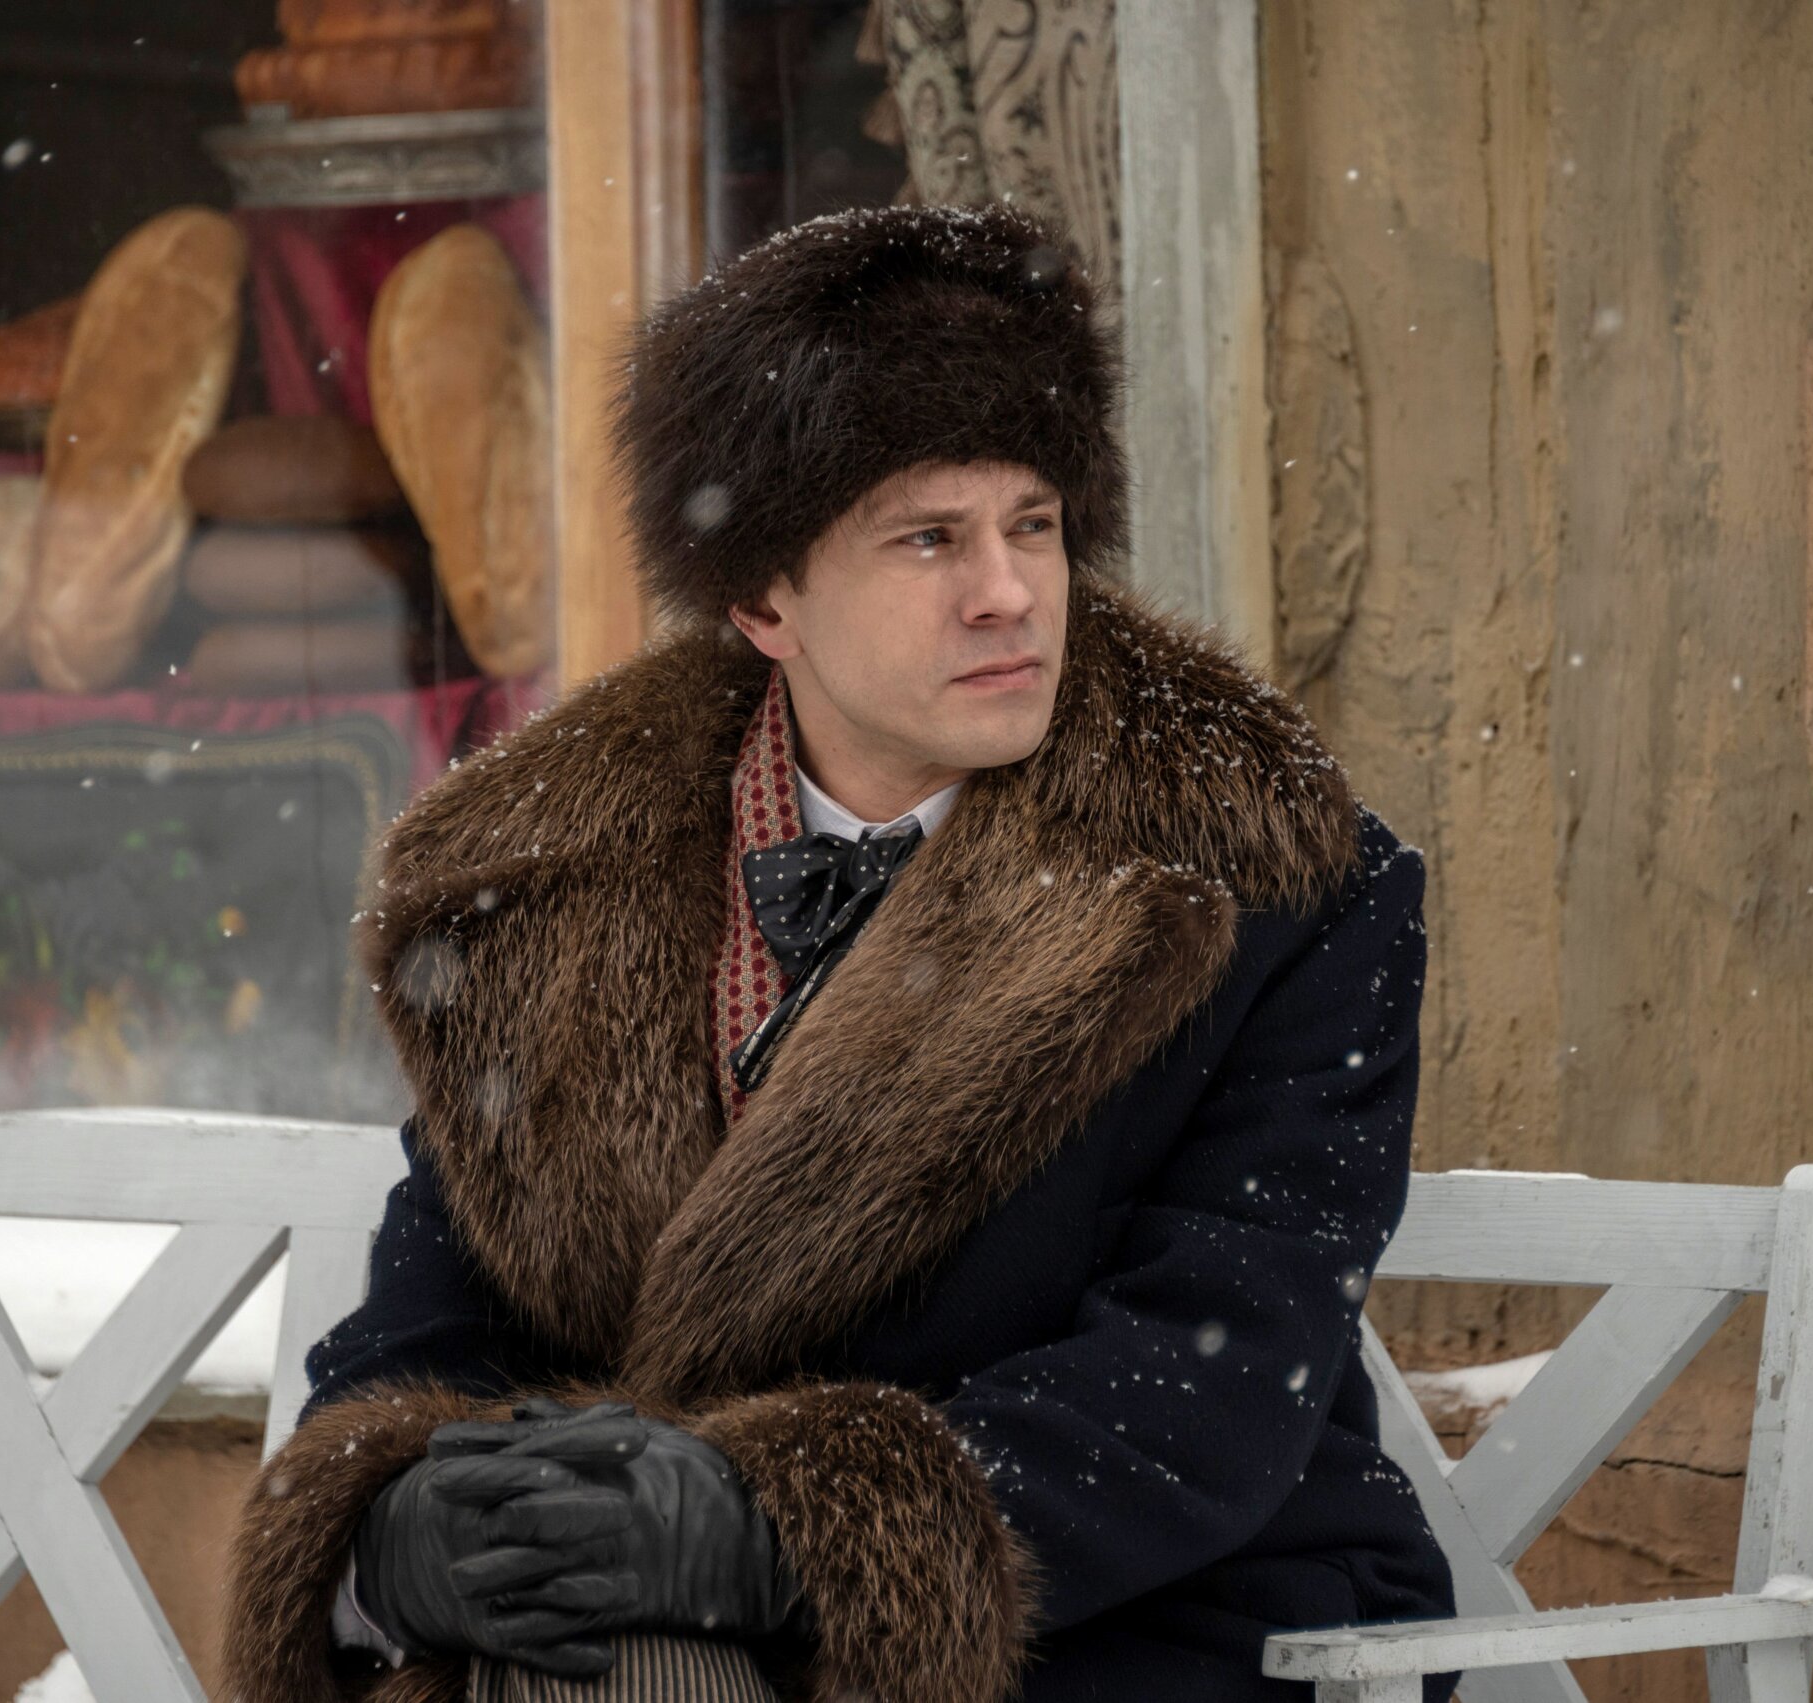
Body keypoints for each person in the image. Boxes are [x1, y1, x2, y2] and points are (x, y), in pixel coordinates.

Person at [220, 201, 1459, 1703]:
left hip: (1133, 1638)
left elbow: (1210, 1378)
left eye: (1034, 524)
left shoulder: (1270, 881)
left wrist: (775, 1535)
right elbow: (441, 1325)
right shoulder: (538, 892)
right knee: (584, 1666)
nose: (1009, 591)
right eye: (929, 537)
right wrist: (394, 1533)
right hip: (648, 1644)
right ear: (764, 598)